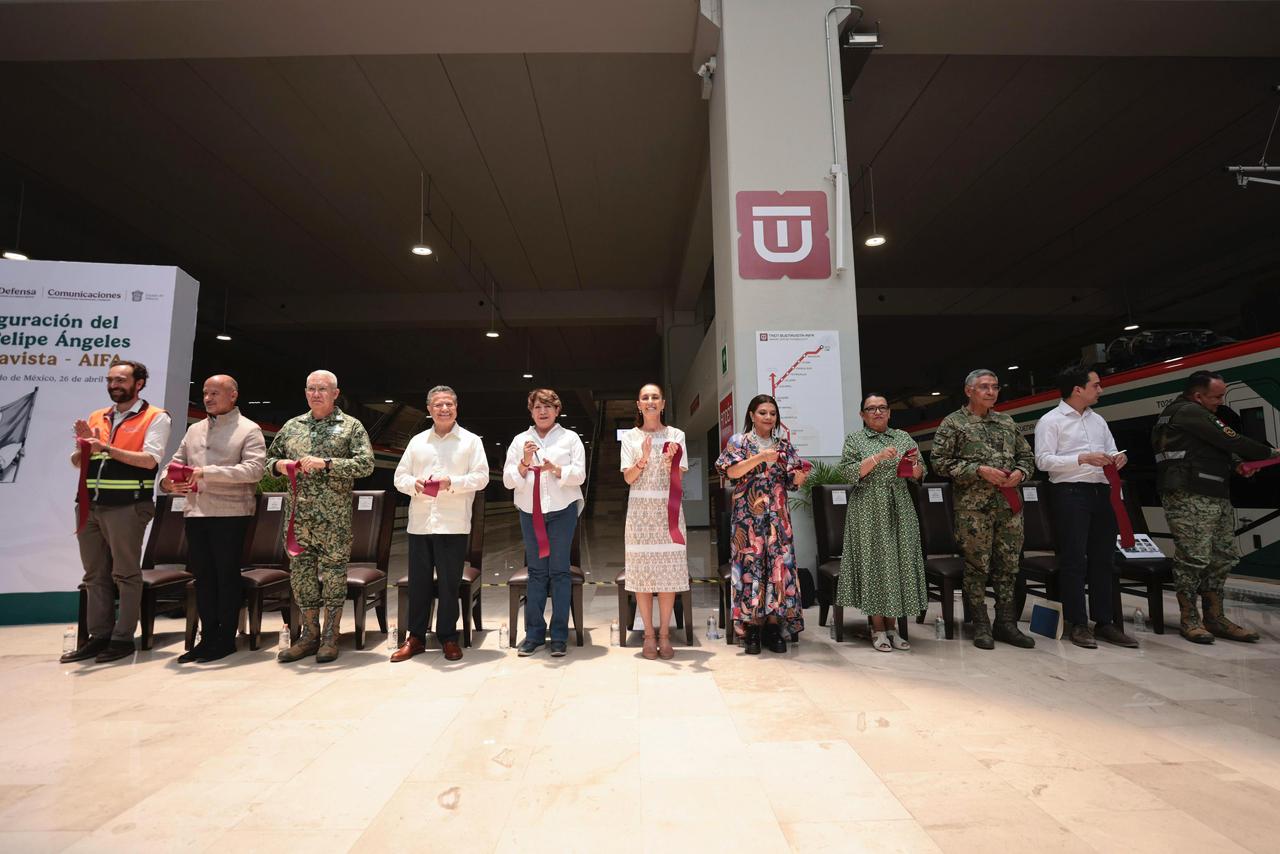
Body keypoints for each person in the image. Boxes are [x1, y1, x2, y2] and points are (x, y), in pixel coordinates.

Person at [1153, 369, 1279, 643]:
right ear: (1198, 395)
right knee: (1194, 558)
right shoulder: (1188, 412)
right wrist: (1270, 453)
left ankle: (1216, 618)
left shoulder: (1196, 414)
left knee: (1222, 556)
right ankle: (1190, 620)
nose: (1221, 401)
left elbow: (1213, 449)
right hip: (1188, 494)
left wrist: (1236, 465)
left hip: (1213, 491)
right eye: (1217, 396)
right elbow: (1229, 439)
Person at [61, 360, 172, 664]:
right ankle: (99, 637)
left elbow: (150, 461)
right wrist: (85, 447)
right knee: (94, 574)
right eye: (110, 380)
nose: (114, 385)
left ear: (139, 383)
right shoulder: (98, 416)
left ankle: (123, 638)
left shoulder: (155, 417)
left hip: (127, 505)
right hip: (89, 504)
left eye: (121, 380)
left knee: (124, 572)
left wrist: (105, 448)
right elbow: (78, 461)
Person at [266, 370, 374, 663]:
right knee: (301, 578)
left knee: (335, 577)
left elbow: (366, 465)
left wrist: (327, 464)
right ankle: (308, 636)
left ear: (335, 393)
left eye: (322, 389)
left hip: (334, 519)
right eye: (311, 389)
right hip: (298, 519)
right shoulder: (292, 427)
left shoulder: (351, 427)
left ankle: (330, 636)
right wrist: (282, 466)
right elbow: (268, 461)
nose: (316, 394)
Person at [160, 375, 266, 663]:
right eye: (205, 393)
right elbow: (174, 463)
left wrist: (208, 472)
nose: (208, 398)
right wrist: (166, 483)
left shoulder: (249, 430)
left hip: (231, 514)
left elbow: (254, 471)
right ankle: (206, 638)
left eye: (215, 393)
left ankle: (225, 638)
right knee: (203, 577)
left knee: (226, 576)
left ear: (233, 395)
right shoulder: (194, 430)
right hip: (196, 512)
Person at [930, 369, 1036, 650]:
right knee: (977, 568)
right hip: (973, 510)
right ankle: (980, 625)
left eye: (995, 387)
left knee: (1008, 567)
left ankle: (1006, 624)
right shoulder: (953, 423)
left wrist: (1020, 473)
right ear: (969, 391)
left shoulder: (1006, 421)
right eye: (984, 387)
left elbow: (1027, 456)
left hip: (1008, 507)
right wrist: (978, 470)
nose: (991, 392)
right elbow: (939, 463)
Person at [1034, 367, 1139, 649]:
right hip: (1070, 492)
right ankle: (1078, 623)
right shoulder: (1050, 421)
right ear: (1077, 389)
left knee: (1104, 558)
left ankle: (1105, 622)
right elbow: (1043, 461)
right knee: (1074, 559)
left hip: (1102, 491)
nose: (1100, 390)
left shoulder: (1098, 421)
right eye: (1096, 385)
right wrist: (1082, 458)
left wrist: (1119, 459)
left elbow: (1112, 450)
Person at [389, 385, 489, 663]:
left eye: (449, 404)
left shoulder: (470, 442)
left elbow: (481, 478)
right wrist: (415, 484)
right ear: (429, 409)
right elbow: (400, 478)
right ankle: (416, 637)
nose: (444, 409)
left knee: (448, 585)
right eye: (438, 405)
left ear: (456, 408)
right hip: (420, 524)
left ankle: (448, 637)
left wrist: (452, 483)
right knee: (419, 584)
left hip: (453, 524)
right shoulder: (418, 441)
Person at [715, 394, 808, 655]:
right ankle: (752, 628)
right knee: (751, 568)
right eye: (763, 412)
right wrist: (761, 458)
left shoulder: (784, 446)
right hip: (748, 519)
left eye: (773, 413)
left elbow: (792, 482)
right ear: (752, 415)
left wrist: (799, 477)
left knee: (778, 569)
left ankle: (773, 626)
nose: (769, 417)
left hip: (778, 518)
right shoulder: (739, 441)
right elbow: (729, 472)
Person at [835, 393, 928, 652]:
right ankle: (877, 628)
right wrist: (877, 458)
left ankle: (893, 628)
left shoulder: (903, 437)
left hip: (900, 505)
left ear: (889, 412)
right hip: (867, 508)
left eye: (882, 408)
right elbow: (849, 473)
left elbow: (920, 474)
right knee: (875, 565)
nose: (877, 412)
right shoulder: (855, 439)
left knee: (899, 563)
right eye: (871, 409)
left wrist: (912, 466)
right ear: (862, 415)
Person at [503, 388, 585, 657]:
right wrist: (524, 463)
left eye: (548, 406)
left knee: (559, 571)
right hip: (530, 511)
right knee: (537, 572)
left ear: (557, 410)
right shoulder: (520, 441)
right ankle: (534, 634)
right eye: (538, 406)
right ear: (531, 410)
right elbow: (507, 480)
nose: (543, 411)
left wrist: (557, 469)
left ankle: (559, 635)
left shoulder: (570, 438)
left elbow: (580, 476)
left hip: (563, 511)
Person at [620, 383, 691, 660]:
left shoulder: (677, 435)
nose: (650, 401)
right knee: (643, 576)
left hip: (668, 514)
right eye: (645, 398)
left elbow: (678, 476)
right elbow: (628, 478)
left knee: (668, 576)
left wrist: (669, 460)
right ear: (638, 404)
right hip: (639, 516)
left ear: (663, 404)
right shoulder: (630, 438)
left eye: (655, 397)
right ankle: (648, 634)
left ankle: (664, 634)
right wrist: (644, 459)